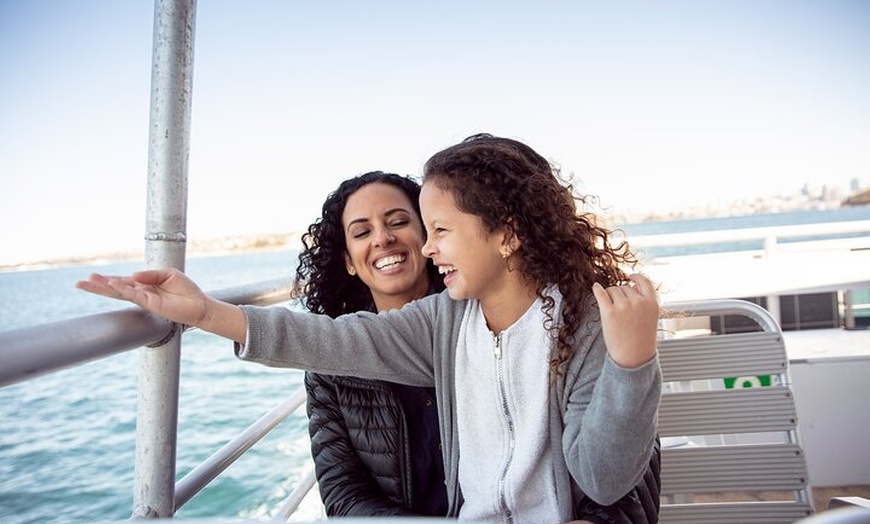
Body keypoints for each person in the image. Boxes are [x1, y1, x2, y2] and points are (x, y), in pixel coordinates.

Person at [77, 133, 662, 523]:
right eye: (364, 232)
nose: (428, 249)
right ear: (348, 260)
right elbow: (329, 340)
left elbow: (608, 479)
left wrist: (634, 365)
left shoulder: (585, 321)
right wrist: (205, 312)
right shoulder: (442, 321)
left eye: (435, 230)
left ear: (506, 233)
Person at [295, 171, 448, 516]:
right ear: (349, 261)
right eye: (362, 232)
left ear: (427, 236)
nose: (383, 238)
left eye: (397, 222)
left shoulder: (481, 320)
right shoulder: (330, 362)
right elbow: (343, 495)